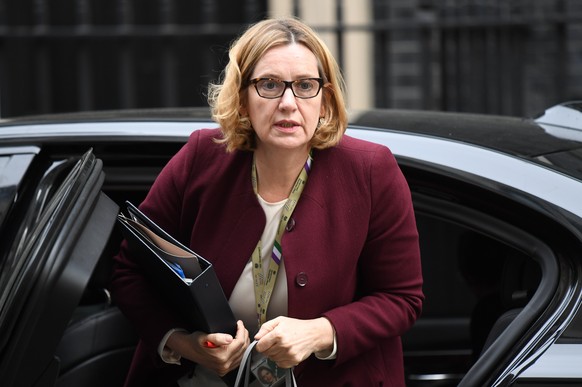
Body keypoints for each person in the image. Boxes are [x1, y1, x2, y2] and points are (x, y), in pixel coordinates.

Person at [111, 16, 423, 387]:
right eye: (270, 85)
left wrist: (319, 333)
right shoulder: (200, 158)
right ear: (242, 99)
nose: (288, 103)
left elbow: (402, 298)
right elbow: (129, 270)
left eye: (305, 85)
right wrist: (183, 343)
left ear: (324, 100)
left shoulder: (371, 170)